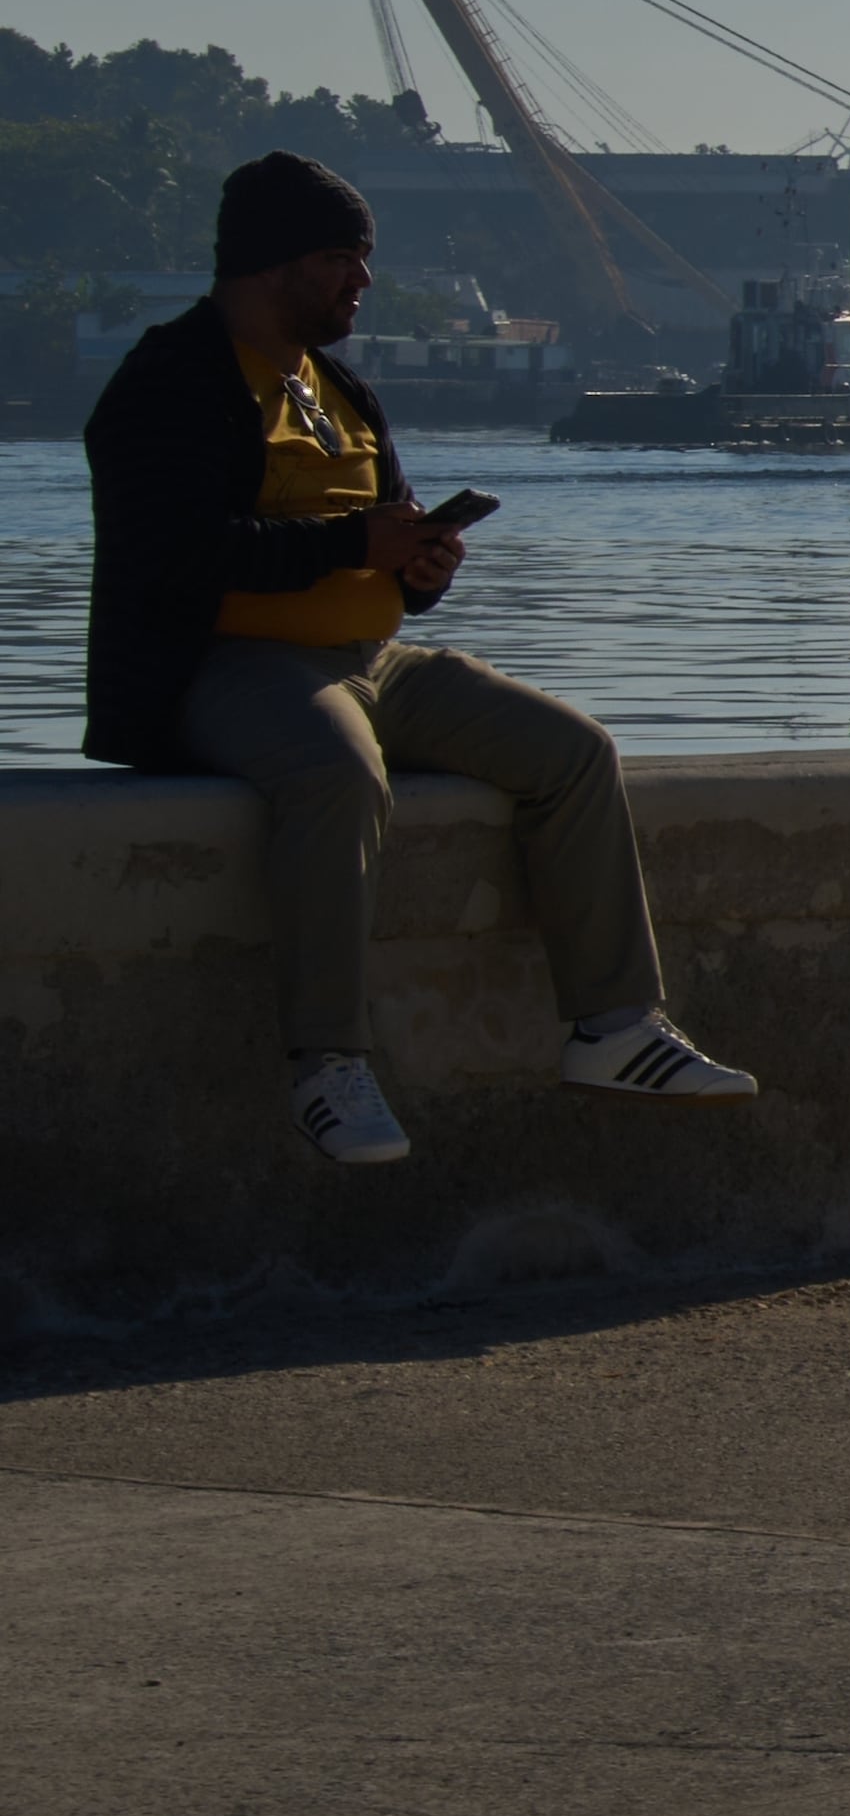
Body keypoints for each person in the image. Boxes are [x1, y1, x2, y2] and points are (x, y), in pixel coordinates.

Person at [82, 152, 759, 1166]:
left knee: (572, 750)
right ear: (273, 264)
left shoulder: (337, 384)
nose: (361, 280)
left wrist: (421, 564)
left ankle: (615, 1029)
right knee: (335, 773)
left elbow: (383, 545)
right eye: (341, 259)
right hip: (229, 663)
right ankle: (327, 1063)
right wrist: (357, 547)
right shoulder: (169, 379)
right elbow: (174, 555)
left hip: (373, 656)